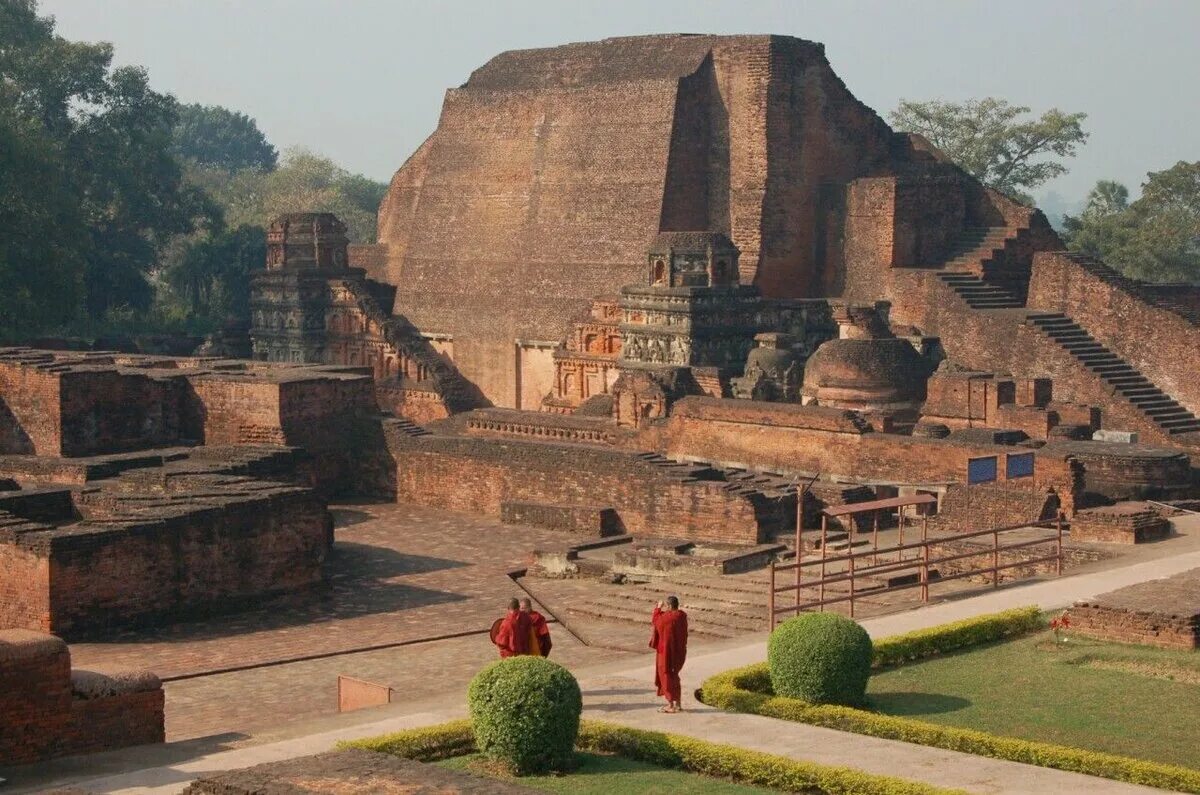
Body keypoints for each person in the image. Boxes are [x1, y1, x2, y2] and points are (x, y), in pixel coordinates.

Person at [649, 596, 688, 713]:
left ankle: (671, 705)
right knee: (675, 676)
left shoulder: (667, 618)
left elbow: (656, 621)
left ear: (670, 606)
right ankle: (679, 704)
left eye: (667, 606)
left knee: (666, 675)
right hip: (678, 652)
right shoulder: (682, 616)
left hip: (666, 653)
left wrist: (658, 608)